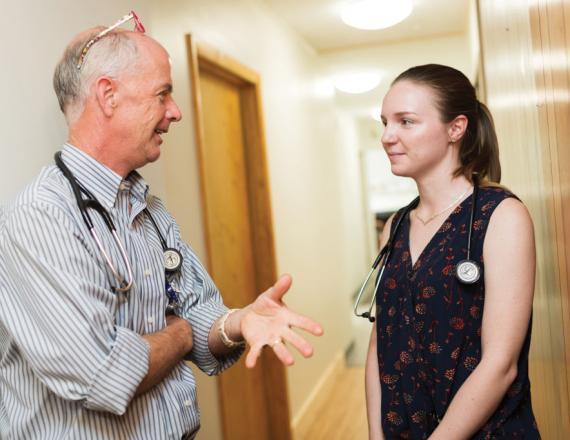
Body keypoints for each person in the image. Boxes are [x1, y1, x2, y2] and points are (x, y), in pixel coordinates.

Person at [0, 13, 323, 440]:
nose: (176, 112)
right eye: (163, 94)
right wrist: (183, 332)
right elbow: (106, 375)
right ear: (108, 95)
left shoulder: (146, 206)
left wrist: (239, 321)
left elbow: (198, 307)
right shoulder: (41, 219)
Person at [365, 64, 539, 439]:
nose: (387, 136)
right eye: (384, 123)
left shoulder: (501, 217)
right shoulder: (394, 228)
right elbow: (380, 344)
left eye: (405, 122)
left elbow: (501, 364)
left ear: (455, 128)